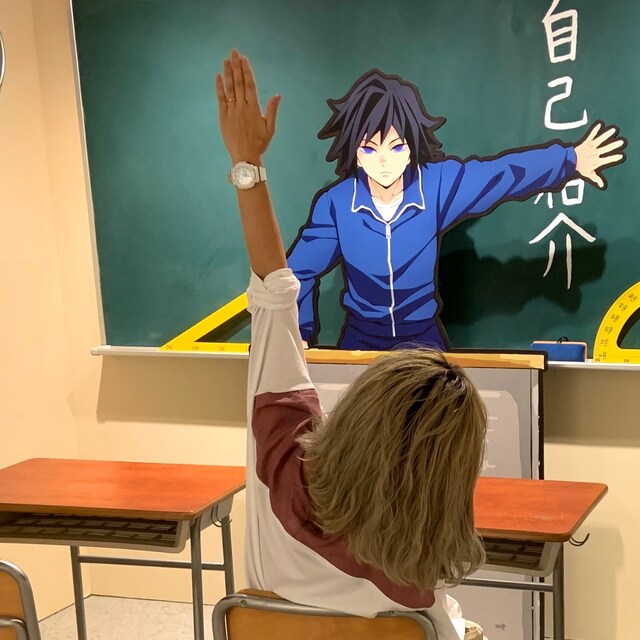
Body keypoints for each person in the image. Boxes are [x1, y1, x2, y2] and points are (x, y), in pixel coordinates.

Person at [216, 49, 491, 640]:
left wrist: (247, 163)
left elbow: (275, 293)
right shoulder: (416, 606)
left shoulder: (279, 459)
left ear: (356, 413)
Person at [287, 69, 626, 350]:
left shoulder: (437, 184)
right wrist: (299, 333)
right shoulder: (336, 204)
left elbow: (502, 175)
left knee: (439, 410)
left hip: (421, 339)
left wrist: (570, 159)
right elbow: (298, 271)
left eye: (396, 146)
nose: (384, 161)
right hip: (361, 340)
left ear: (411, 147)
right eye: (370, 149)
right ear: (356, 154)